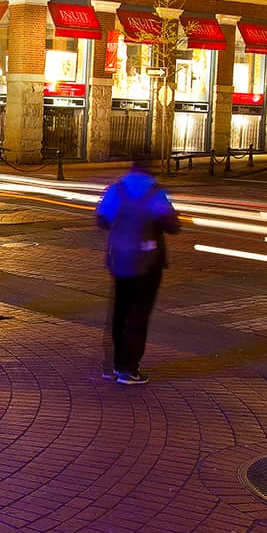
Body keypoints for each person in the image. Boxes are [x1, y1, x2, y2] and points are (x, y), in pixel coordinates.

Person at [96, 156, 181, 385]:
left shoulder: (117, 189)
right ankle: (129, 368)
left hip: (120, 258)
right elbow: (173, 226)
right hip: (148, 262)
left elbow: (102, 219)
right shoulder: (155, 192)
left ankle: (114, 364)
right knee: (139, 314)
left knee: (120, 311)